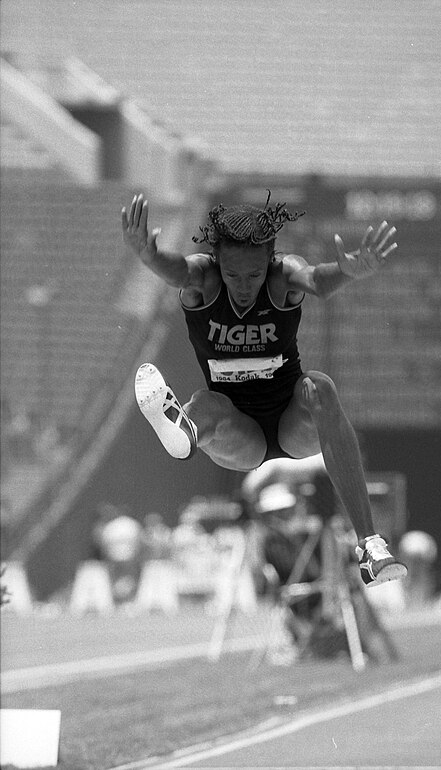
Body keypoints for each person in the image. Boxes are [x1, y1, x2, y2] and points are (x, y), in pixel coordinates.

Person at [122, 192, 407, 587]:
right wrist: (149, 256)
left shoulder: (283, 275)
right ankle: (185, 431)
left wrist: (349, 271)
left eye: (254, 275)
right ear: (217, 262)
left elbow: (318, 282)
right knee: (207, 403)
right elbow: (176, 271)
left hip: (291, 420)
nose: (243, 286)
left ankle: (370, 546)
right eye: (233, 275)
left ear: (269, 261)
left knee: (320, 386)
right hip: (241, 433)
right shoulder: (203, 278)